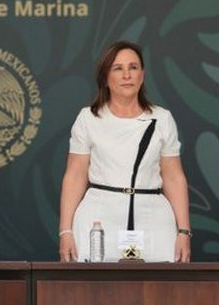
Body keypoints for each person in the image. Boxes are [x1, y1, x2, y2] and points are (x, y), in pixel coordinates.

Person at [58, 41, 191, 262]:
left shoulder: (162, 118)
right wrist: (65, 231)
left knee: (157, 292)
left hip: (153, 220)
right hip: (98, 220)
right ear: (105, 77)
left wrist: (184, 231)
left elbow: (174, 177)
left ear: (143, 74)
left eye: (133, 67)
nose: (126, 75)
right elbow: (74, 176)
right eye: (118, 68)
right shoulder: (88, 118)